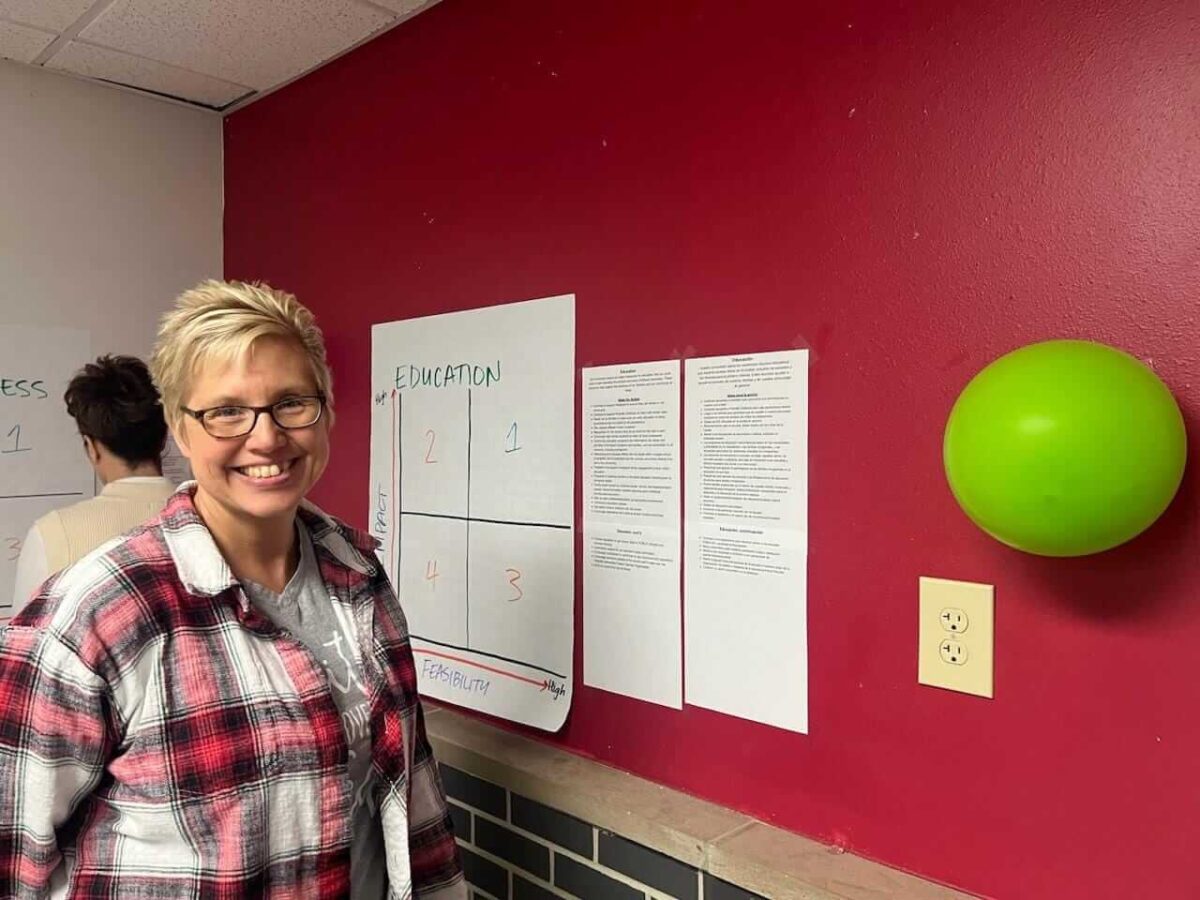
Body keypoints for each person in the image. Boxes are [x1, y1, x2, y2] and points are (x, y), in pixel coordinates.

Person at [0, 281, 465, 898]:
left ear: (325, 412)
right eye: (225, 411)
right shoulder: (95, 615)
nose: (267, 437)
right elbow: (14, 860)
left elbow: (409, 793)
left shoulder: (359, 575)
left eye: (292, 403)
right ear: (179, 430)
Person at [11, 354, 176, 612]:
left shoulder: (53, 534)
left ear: (91, 447)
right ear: (165, 436)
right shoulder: (218, 519)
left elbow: (24, 646)